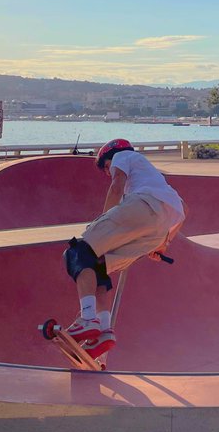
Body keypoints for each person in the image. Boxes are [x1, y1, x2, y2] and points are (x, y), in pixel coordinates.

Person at [63, 139, 186, 358]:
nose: (107, 172)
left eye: (106, 168)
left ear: (110, 157)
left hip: (142, 206)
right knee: (99, 265)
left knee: (78, 252)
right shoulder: (158, 181)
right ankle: (103, 331)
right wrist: (163, 245)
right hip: (161, 227)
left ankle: (87, 318)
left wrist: (104, 218)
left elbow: (117, 184)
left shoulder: (123, 156)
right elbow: (184, 210)